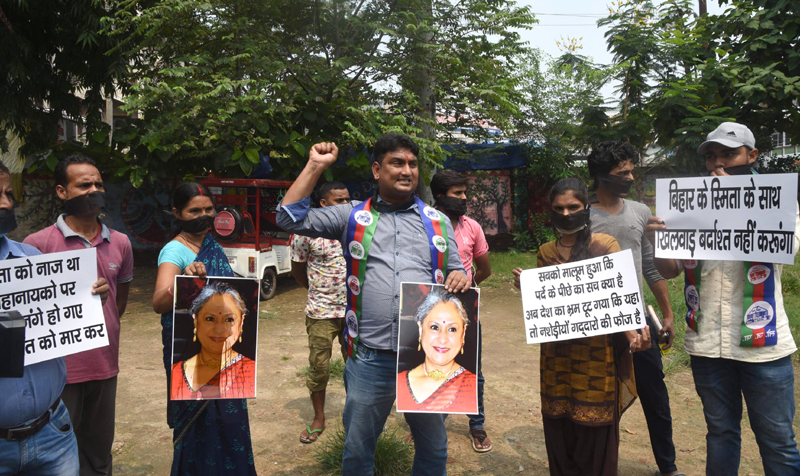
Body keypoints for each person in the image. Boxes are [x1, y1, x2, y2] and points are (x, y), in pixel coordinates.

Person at [277, 133, 470, 475]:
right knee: (357, 450)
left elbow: (456, 269)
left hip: (425, 359)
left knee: (433, 448)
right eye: (397, 163)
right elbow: (288, 219)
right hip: (370, 357)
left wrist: (460, 276)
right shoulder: (350, 216)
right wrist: (315, 166)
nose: (407, 170)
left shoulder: (437, 221)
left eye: (412, 164)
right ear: (377, 170)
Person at [646, 122, 800, 476]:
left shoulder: (775, 198)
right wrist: (659, 241)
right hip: (708, 344)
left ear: (752, 156)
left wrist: (738, 201)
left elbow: (786, 247)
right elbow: (669, 271)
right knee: (720, 434)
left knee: (777, 440)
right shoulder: (689, 204)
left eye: (729, 154)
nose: (720, 162)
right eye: (712, 156)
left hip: (764, 346)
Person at [512, 177, 650, 476]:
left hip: (596, 356)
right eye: (558, 208)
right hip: (555, 358)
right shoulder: (545, 252)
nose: (565, 214)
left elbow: (617, 300)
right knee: (559, 423)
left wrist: (632, 335)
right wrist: (529, 288)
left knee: (594, 428)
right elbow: (549, 307)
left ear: (586, 207)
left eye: (573, 207)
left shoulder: (605, 245)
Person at [24, 155, 133, 476]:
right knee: (58, 456)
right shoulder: (37, 244)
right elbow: (29, 313)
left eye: (99, 184)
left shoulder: (121, 243)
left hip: (104, 365)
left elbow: (119, 304)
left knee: (99, 454)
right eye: (84, 185)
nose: (94, 190)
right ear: (62, 192)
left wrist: (99, 307)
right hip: (57, 372)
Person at [0, 161, 108, 476]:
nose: (7, 203)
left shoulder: (32, 260)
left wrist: (86, 301)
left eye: (8, 193)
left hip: (52, 434)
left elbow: (55, 321)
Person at [586, 142, 683, 476]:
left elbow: (650, 268)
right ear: (600, 176)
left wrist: (666, 313)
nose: (629, 176)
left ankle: (668, 466)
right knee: (599, 395)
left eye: (630, 170)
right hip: (596, 319)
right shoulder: (579, 213)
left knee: (654, 392)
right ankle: (598, 464)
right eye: (621, 172)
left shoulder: (640, 212)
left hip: (637, 316)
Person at [152, 183, 257, 475]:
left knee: (230, 423)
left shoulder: (212, 245)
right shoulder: (175, 250)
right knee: (200, 427)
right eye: (194, 210)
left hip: (226, 352)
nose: (204, 215)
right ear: (177, 213)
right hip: (193, 355)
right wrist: (183, 280)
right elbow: (159, 302)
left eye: (209, 209)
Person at [430, 169, 493, 452]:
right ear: (440, 196)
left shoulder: (472, 228)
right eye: (458, 194)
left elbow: (485, 268)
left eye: (464, 192)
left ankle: (476, 424)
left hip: (465, 313)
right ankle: (430, 426)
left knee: (471, 368)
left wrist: (468, 287)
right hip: (429, 311)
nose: (464, 198)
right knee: (432, 366)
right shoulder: (423, 225)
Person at [290, 181, 351, 444]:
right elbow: (297, 270)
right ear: (324, 204)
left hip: (354, 312)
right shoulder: (305, 231)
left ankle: (357, 417)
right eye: (339, 200)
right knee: (319, 367)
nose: (346, 205)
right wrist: (318, 291)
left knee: (358, 366)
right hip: (321, 311)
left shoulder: (357, 227)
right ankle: (318, 418)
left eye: (348, 199)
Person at [170, 282, 256, 400]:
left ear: (241, 322)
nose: (219, 330)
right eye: (210, 319)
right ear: (196, 321)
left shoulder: (250, 372)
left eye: (229, 319)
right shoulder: (176, 373)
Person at [396, 288, 477, 413]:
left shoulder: (471, 386)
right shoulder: (400, 382)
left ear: (463, 332)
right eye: (434, 327)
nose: (442, 339)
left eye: (452, 329)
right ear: (420, 329)